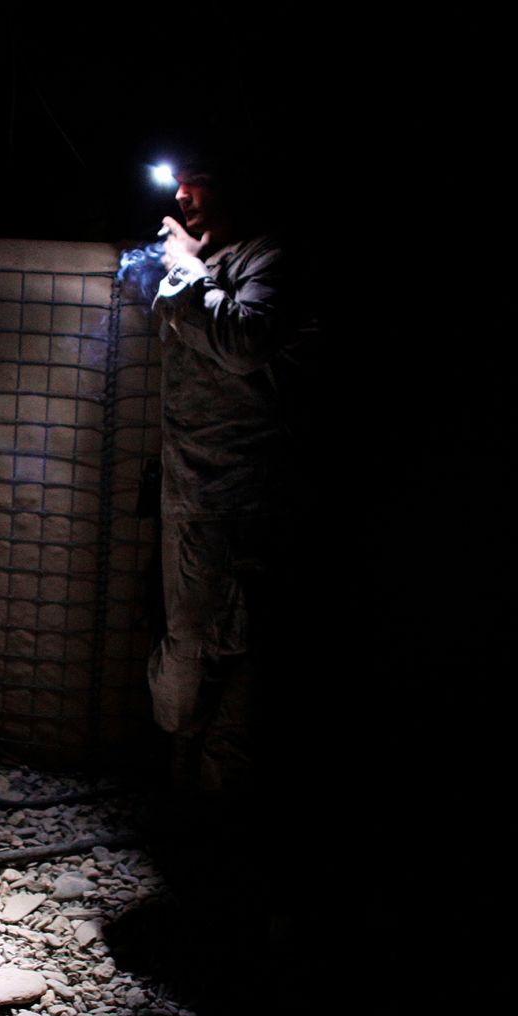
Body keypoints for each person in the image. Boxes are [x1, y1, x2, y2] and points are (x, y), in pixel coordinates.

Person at [148, 152, 313, 794]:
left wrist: (188, 269)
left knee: (240, 652)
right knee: (189, 643)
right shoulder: (211, 263)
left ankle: (221, 806)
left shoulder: (270, 258)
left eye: (201, 183)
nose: (186, 196)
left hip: (243, 496)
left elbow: (245, 343)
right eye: (181, 184)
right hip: (190, 489)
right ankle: (182, 786)